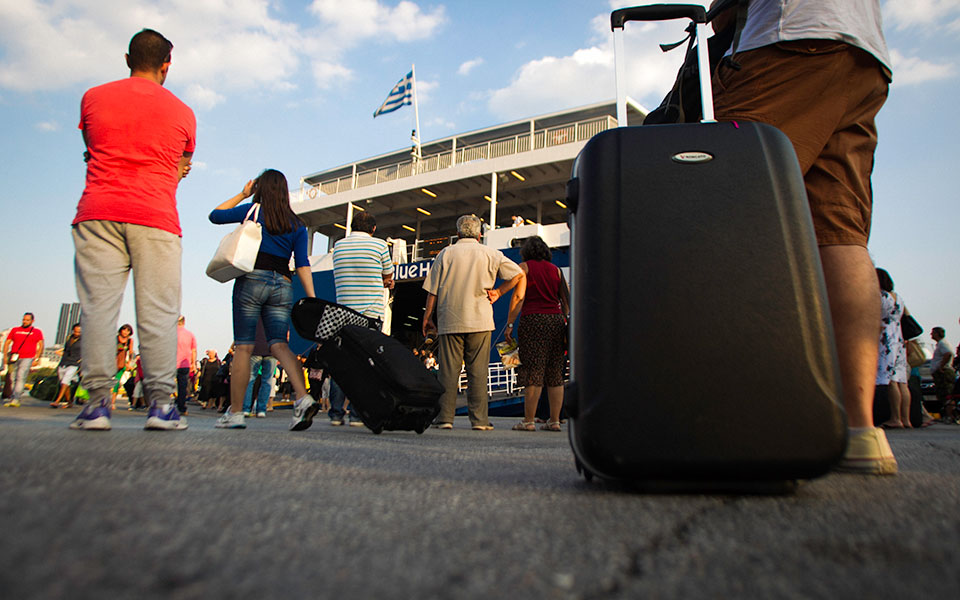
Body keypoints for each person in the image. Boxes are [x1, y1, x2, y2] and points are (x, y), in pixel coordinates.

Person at [710, 0, 896, 474]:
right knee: (838, 234)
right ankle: (858, 431)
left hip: (790, 39)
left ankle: (722, 416)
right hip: (864, 53)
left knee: (719, 207)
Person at [69, 29, 196, 431]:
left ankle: (96, 406)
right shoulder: (184, 112)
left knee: (98, 309)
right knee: (159, 313)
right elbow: (179, 168)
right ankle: (161, 406)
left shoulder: (93, 97)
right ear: (166, 66)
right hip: (156, 215)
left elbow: (92, 148)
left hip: (98, 212)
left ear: (127, 59)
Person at [208, 170, 316, 430]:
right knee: (279, 345)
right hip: (283, 284)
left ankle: (236, 413)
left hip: (252, 279)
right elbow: (302, 263)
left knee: (244, 348)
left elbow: (215, 215)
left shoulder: (253, 211)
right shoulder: (297, 224)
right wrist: (312, 297)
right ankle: (303, 398)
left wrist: (243, 194)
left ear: (261, 189)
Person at [422, 214, 524, 430]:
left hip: (450, 319)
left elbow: (432, 290)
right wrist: (499, 292)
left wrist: (427, 317)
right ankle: (479, 421)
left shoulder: (445, 253)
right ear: (479, 235)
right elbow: (518, 273)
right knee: (477, 371)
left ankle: (445, 419)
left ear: (458, 234)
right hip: (480, 319)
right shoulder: (490, 253)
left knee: (448, 372)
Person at [329, 211, 395, 427]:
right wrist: (386, 282)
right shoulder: (379, 246)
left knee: (342, 362)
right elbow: (388, 276)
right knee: (366, 364)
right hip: (370, 314)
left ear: (351, 226)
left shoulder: (338, 246)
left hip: (343, 313)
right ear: (373, 228)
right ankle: (357, 415)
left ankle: (336, 413)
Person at [504, 236, 569, 432]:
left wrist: (509, 324)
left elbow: (518, 296)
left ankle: (529, 421)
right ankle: (554, 420)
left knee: (534, 371)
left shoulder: (524, 268)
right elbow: (565, 299)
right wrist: (565, 320)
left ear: (527, 251)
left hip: (533, 321)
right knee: (555, 373)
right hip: (556, 321)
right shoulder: (556, 270)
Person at [874, 269, 911, 429]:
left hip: (886, 338)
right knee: (901, 381)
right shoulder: (898, 298)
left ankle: (895, 418)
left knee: (890, 381)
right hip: (899, 338)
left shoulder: (880, 296)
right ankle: (905, 418)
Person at [3, 313, 45, 407]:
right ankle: (13, 397)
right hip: (14, 356)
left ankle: (16, 398)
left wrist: (37, 358)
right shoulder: (15, 330)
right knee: (12, 378)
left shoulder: (37, 332)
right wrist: (5, 356)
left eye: (27, 320)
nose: (25, 322)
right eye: (24, 319)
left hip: (27, 357)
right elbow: (7, 342)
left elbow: (41, 344)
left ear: (32, 321)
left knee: (21, 377)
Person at [242, 320, 277, 419]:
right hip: (271, 350)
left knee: (250, 379)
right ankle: (261, 410)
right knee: (267, 380)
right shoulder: (275, 317)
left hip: (255, 349)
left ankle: (246, 409)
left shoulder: (254, 316)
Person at [52, 323, 82, 408]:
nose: (77, 333)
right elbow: (65, 350)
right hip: (64, 362)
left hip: (74, 363)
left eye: (79, 332)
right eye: (75, 331)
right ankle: (69, 402)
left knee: (65, 381)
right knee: (65, 383)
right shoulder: (69, 338)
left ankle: (57, 401)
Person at [930, 327, 956, 423]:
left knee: (947, 394)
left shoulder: (942, 344)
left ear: (937, 334)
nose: (931, 335)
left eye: (933, 333)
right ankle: (947, 414)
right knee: (942, 394)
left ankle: (950, 416)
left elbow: (948, 353)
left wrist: (941, 366)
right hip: (941, 372)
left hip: (944, 373)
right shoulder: (940, 344)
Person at [175, 316, 197, 415]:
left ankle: (164, 406)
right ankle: (182, 408)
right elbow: (193, 350)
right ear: (184, 322)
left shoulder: (171, 334)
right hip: (185, 364)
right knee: (182, 387)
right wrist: (193, 363)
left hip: (172, 363)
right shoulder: (190, 334)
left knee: (167, 384)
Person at [110, 324, 134, 410]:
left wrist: (129, 363)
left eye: (128, 331)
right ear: (120, 330)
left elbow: (130, 352)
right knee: (106, 381)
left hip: (121, 364)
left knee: (116, 383)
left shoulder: (130, 341)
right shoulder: (115, 339)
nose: (125, 332)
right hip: (111, 363)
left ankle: (112, 402)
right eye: (124, 330)